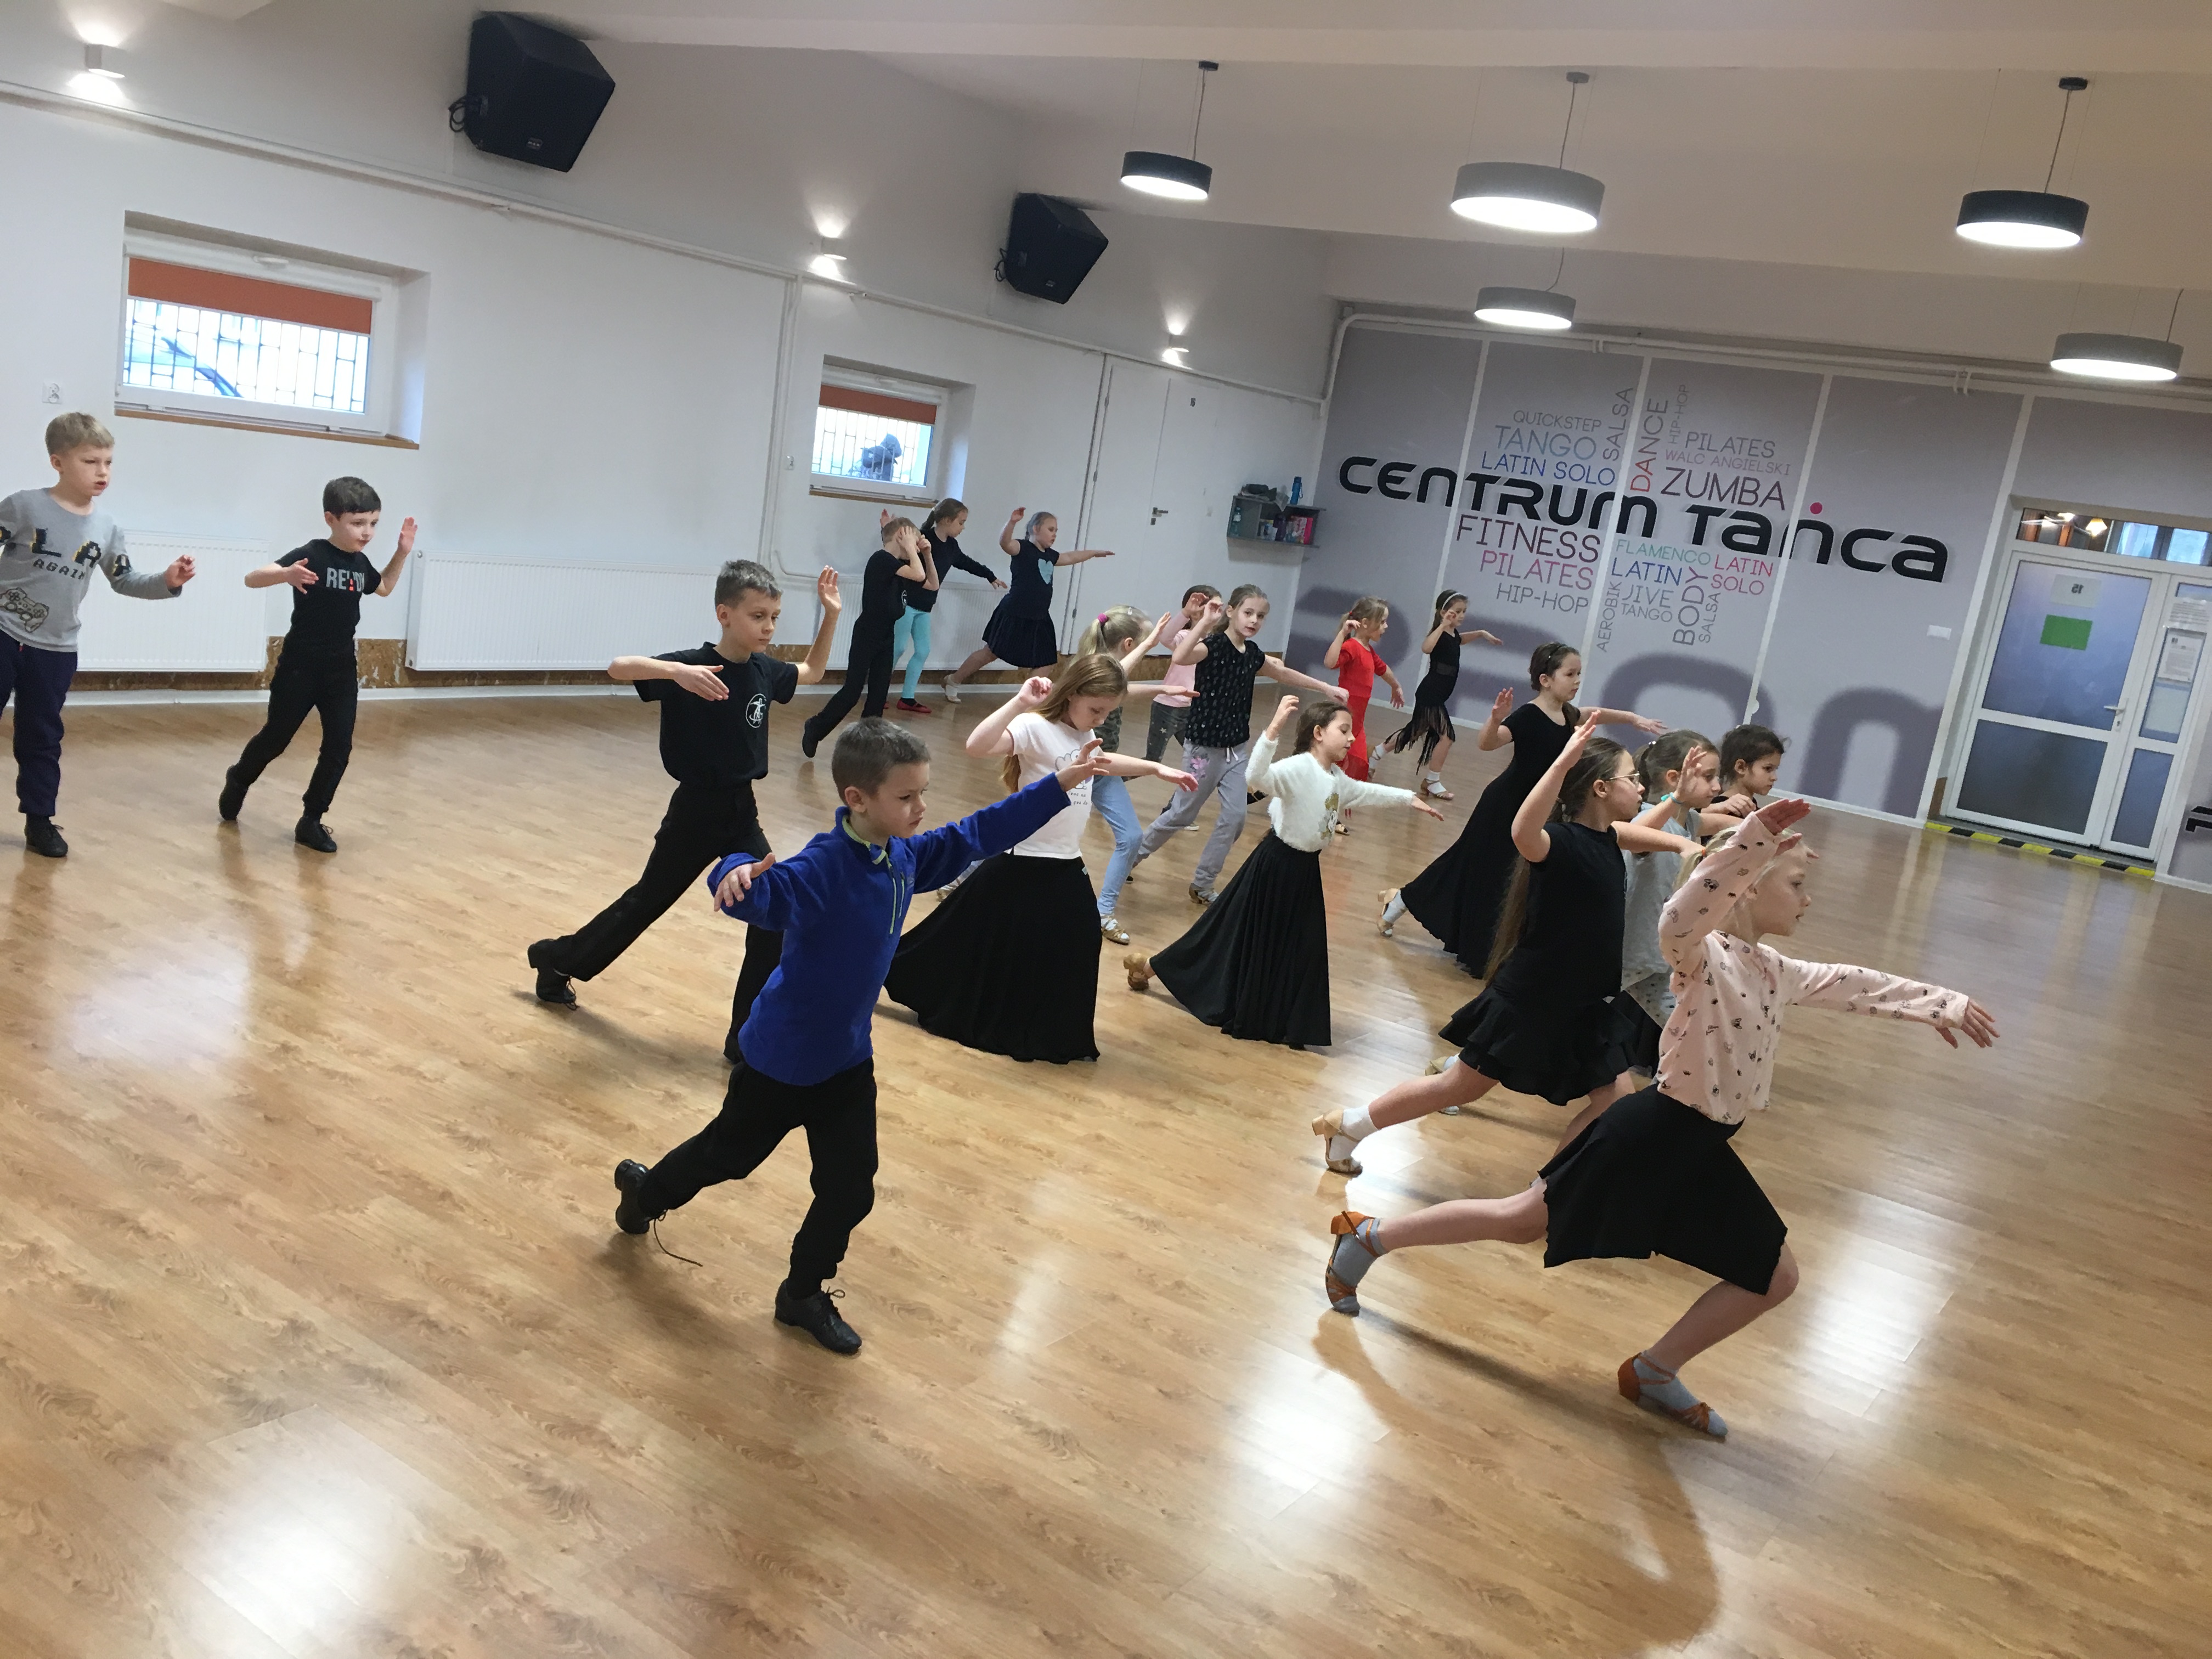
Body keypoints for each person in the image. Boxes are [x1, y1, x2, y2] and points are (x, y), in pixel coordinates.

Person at [1320, 795, 1999, 1438]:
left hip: (1700, 1147)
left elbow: (1856, 985)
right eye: (1795, 883)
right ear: (1747, 888)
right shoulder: (1699, 955)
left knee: (1775, 1277)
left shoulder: (1774, 970)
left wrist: (1940, 1004)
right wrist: (1753, 840)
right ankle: (1370, 1237)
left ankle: (1654, 1369)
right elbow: (1683, 912)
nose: (1808, 897)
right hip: (1649, 1133)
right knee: (1521, 1220)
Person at [611, 718, 1111, 1353]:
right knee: (726, 1158)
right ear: (858, 799)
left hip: (847, 1060)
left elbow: (977, 833)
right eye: (906, 797)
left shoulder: (903, 855)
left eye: (922, 793)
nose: (920, 807)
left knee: (850, 1189)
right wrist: (731, 871)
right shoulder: (823, 867)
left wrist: (1058, 786)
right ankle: (646, 1193)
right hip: (782, 1060)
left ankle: (802, 1293)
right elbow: (762, 892)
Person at [1316, 713, 1701, 1176]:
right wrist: (1560, 765)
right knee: (1459, 1087)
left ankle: (1551, 1191)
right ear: (1600, 788)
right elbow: (1522, 831)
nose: (1640, 788)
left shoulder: (1609, 837)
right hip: (1534, 1000)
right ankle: (1350, 1124)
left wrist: (1682, 841)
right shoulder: (1558, 843)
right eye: (1631, 780)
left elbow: (1640, 833)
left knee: (1613, 1100)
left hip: (1581, 1003)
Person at [527, 561, 841, 1061]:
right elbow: (618, 667)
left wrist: (831, 616)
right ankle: (555, 958)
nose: (768, 627)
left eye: (774, 617)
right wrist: (675, 672)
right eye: (758, 616)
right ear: (724, 614)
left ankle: (745, 1039)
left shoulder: (763, 670)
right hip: (695, 812)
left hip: (741, 813)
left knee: (773, 913)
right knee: (644, 905)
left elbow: (813, 672)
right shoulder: (691, 667)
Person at [885, 657, 1194, 1062]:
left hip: (1065, 859)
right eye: (1096, 709)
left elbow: (1101, 763)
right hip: (1024, 861)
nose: (1100, 719)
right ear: (1072, 694)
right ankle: (889, 973)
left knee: (1075, 943)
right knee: (963, 942)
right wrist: (1019, 702)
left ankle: (1051, 1033)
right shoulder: (1035, 727)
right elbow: (977, 746)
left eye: (1107, 712)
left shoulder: (1083, 731)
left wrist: (1155, 768)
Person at [1125, 695, 1442, 1048]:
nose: (1352, 738)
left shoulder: (1335, 777)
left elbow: (1366, 792)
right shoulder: (1297, 768)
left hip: (1304, 873)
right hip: (1274, 868)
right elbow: (1256, 777)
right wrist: (1273, 730)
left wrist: (1407, 798)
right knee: (1224, 934)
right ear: (1318, 733)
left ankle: (1288, 1019)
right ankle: (1150, 967)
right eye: (1344, 731)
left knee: (1301, 948)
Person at [1380, 641, 1665, 973]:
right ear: (1546, 679)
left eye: (1579, 674)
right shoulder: (1529, 715)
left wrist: (1631, 718)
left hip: (1534, 810)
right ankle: (1406, 903)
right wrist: (1495, 719)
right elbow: (1488, 743)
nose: (1577, 681)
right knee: (1475, 868)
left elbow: (1594, 713)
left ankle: (1484, 944)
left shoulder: (1568, 714)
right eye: (1570, 674)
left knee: (1505, 878)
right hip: (1504, 806)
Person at [0, 412, 194, 857]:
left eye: (107, 462)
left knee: (42, 736)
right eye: (90, 462)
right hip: (4, 633)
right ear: (58, 462)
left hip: (56, 648)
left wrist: (168, 581)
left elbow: (124, 580)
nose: (102, 472)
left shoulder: (107, 530)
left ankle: (39, 820)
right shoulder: (24, 506)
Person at [218, 477, 415, 853]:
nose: (367, 532)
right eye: (358, 523)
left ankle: (311, 820)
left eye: (373, 523)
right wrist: (285, 574)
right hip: (300, 667)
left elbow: (385, 587)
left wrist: (402, 553)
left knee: (339, 747)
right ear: (331, 519)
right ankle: (240, 777)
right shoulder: (312, 554)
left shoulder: (361, 564)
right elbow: (251, 579)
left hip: (341, 671)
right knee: (277, 738)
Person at [1124, 585, 1347, 905]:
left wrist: (1325, 687)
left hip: (1236, 752)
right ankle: (1130, 859)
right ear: (1231, 612)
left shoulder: (1252, 654)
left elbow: (1280, 671)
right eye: (1248, 613)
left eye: (1261, 616)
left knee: (1235, 819)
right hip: (1203, 751)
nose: (1254, 620)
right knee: (1181, 814)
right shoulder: (1213, 646)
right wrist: (1204, 622)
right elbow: (1181, 656)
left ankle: (1203, 883)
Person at [1076, 603, 1184, 943]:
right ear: (1128, 645)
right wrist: (1149, 644)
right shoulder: (1092, 667)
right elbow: (1112, 681)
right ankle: (966, 875)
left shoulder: (1107, 672)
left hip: (1103, 769)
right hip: (1073, 769)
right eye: (1142, 645)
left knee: (1132, 837)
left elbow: (1119, 690)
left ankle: (1103, 911)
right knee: (1026, 825)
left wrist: (1161, 689)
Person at [1618, 729, 1720, 1074]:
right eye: (1709, 777)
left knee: (1693, 1029)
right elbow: (1632, 837)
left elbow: (1718, 820)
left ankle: (1680, 1093)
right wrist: (1676, 798)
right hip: (1626, 955)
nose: (1718, 787)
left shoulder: (1688, 820)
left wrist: (1763, 827)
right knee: (1561, 1021)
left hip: (1657, 959)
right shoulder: (1653, 820)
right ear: (1674, 778)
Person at [940, 508, 1113, 700]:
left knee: (1046, 661)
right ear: (1036, 529)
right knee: (990, 653)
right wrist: (1012, 522)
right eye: (1051, 529)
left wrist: (1093, 553)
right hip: (1015, 612)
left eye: (1056, 531)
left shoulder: (1050, 555)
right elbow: (1005, 543)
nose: (1055, 534)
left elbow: (1071, 557)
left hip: (1039, 617)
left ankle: (1026, 701)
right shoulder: (1021, 548)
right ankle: (953, 680)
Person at [800, 518, 926, 755]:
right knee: (852, 692)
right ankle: (815, 727)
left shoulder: (899, 567)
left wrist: (925, 553)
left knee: (878, 696)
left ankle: (868, 746)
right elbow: (919, 575)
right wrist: (910, 546)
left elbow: (930, 583)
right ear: (901, 536)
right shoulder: (881, 560)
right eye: (913, 539)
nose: (916, 547)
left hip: (886, 637)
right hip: (867, 635)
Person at [1376, 590, 1501, 800]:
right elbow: (1426, 648)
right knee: (1448, 737)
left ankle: (1376, 753)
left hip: (1437, 694)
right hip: (1430, 694)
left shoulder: (1452, 634)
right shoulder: (1441, 632)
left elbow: (1460, 640)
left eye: (1464, 612)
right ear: (1444, 612)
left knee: (1414, 731)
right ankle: (1432, 781)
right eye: (1457, 611)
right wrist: (1443, 625)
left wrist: (1481, 633)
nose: (1461, 616)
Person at [891, 498, 1004, 714]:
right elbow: (901, 560)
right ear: (946, 520)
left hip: (925, 608)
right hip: (906, 604)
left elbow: (967, 563)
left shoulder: (952, 546)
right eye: (961, 522)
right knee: (897, 648)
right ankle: (878, 692)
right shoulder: (923, 539)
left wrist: (990, 576)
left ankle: (907, 698)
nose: (963, 527)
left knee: (923, 650)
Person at [1322, 597, 1405, 790]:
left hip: (1357, 722)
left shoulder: (1368, 650)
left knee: (1359, 765)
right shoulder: (1352, 646)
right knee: (1337, 762)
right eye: (1382, 622)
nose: (1386, 626)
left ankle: (1339, 800)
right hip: (1345, 717)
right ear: (1365, 623)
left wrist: (1396, 686)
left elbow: (1383, 669)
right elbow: (1330, 663)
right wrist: (1343, 633)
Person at [1143, 584, 1218, 769]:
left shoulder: (1216, 643)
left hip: (1193, 710)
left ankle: (1190, 788)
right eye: (1213, 607)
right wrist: (1185, 613)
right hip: (1167, 708)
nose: (1218, 613)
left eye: (1220, 608)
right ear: (1196, 614)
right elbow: (1165, 638)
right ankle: (1113, 780)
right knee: (1153, 761)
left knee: (1200, 759)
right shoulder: (1185, 637)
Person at [1717, 722, 1787, 810]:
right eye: (1768, 769)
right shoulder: (1716, 809)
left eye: (1775, 769)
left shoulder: (1754, 809)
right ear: (1741, 767)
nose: (1774, 778)